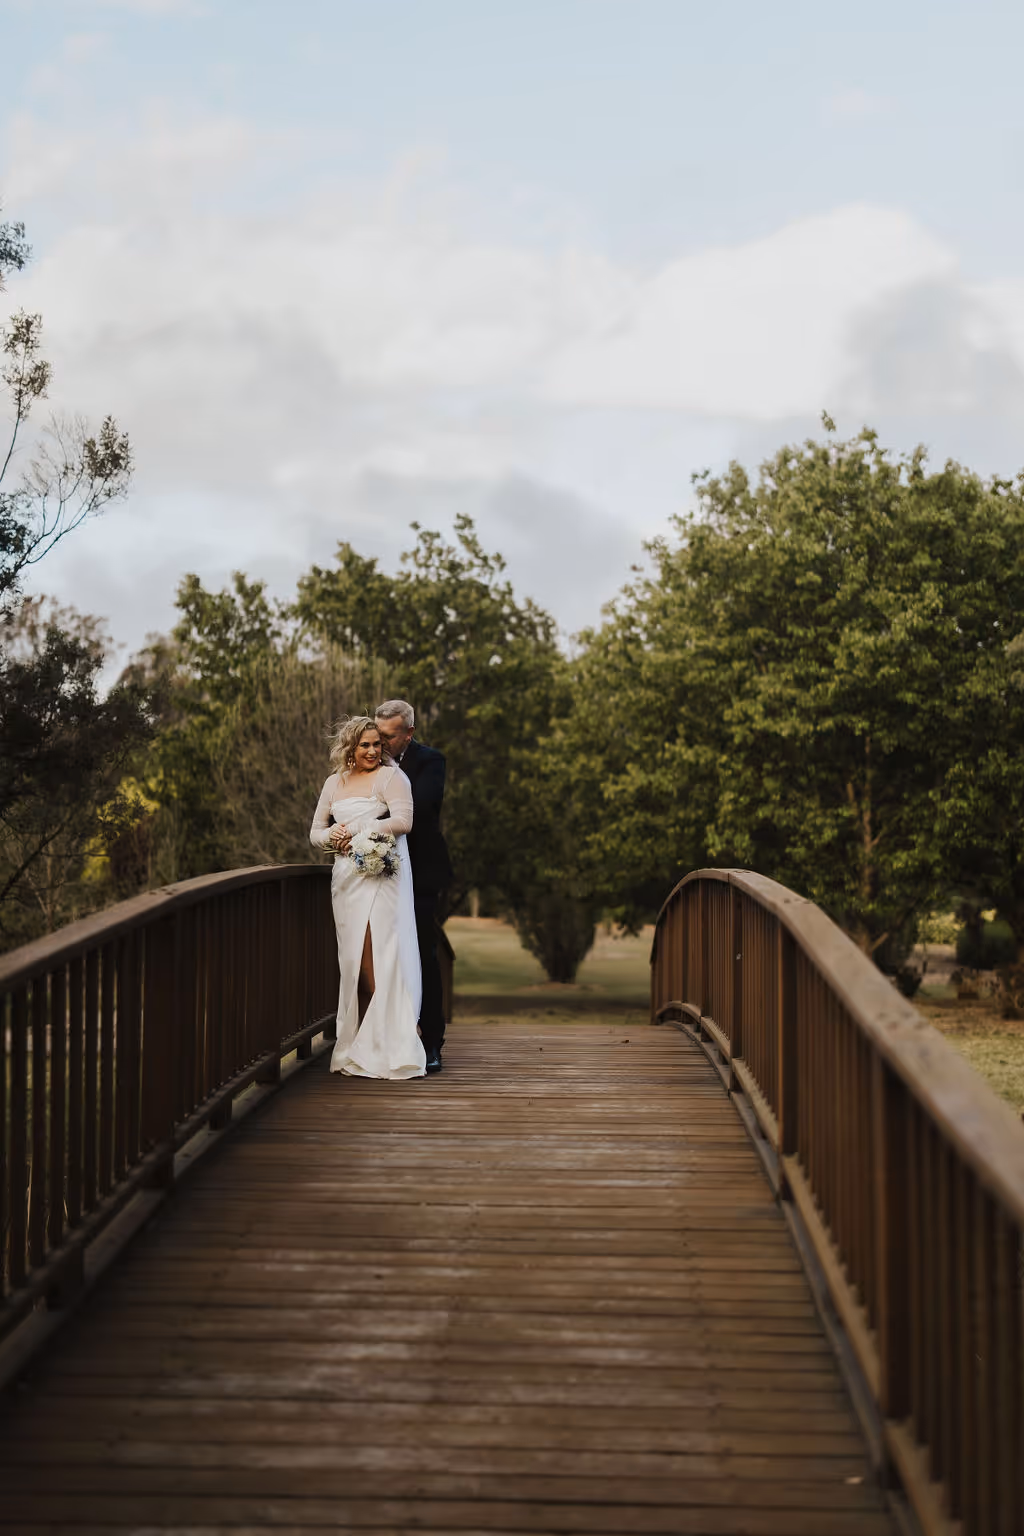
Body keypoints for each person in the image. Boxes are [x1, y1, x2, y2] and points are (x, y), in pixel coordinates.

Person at [309, 716, 426, 1080]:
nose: (373, 751)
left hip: (378, 877)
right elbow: (315, 832)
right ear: (351, 748)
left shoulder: (393, 778)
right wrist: (334, 837)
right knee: (353, 961)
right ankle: (358, 1039)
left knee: (378, 955)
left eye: (378, 744)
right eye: (365, 745)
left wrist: (359, 829)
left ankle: (393, 1040)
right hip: (345, 878)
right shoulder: (334, 782)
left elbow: (404, 821)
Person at [374, 700, 453, 1074]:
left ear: (409, 732)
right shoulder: (366, 760)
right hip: (378, 873)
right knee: (379, 955)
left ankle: (431, 1041)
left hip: (420, 873)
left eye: (389, 736)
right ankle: (384, 1036)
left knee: (422, 952)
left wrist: (370, 818)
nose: (381, 742)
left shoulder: (431, 761)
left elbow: (422, 806)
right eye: (378, 734)